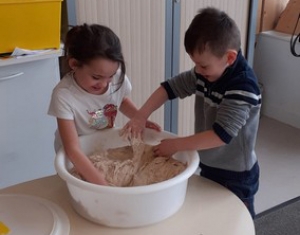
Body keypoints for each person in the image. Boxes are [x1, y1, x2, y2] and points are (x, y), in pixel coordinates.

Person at [122, 7, 261, 218]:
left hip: (236, 175)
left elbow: (220, 135)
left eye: (203, 65)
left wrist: (176, 145)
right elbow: (168, 88)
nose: (198, 70)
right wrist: (141, 115)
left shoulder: (243, 87)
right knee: (211, 218)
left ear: (230, 58)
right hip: (209, 164)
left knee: (237, 222)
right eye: (195, 64)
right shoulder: (205, 73)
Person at [48, 24, 160, 186]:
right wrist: (103, 185)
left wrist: (138, 117)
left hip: (103, 143)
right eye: (96, 77)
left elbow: (120, 101)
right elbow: (72, 149)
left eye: (110, 76)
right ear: (74, 64)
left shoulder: (115, 80)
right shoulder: (64, 95)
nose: (105, 83)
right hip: (76, 154)